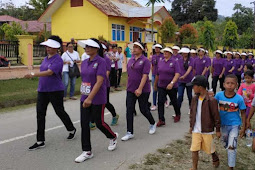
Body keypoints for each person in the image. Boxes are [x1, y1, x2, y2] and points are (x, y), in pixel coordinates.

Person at [24, 35, 76, 151]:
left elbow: (49, 72)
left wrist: (33, 74)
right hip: (42, 90)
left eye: (50, 47)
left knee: (59, 111)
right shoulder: (46, 58)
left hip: (55, 90)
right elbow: (44, 71)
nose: (48, 48)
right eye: (47, 46)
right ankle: (40, 140)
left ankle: (71, 129)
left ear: (56, 48)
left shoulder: (58, 59)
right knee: (40, 114)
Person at [75, 38, 118, 163]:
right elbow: (84, 79)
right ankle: (87, 151)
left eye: (89, 46)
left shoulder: (101, 61)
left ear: (96, 49)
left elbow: (100, 81)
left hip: (97, 98)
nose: (86, 48)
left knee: (99, 123)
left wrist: (90, 98)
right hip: (85, 96)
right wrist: (84, 96)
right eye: (85, 47)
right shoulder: (84, 62)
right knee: (84, 124)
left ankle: (113, 137)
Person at [121, 42, 156, 141]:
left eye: (137, 47)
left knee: (143, 109)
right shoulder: (131, 59)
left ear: (141, 49)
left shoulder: (145, 61)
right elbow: (129, 73)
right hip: (131, 89)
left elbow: (145, 75)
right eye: (134, 47)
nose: (134, 49)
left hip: (143, 90)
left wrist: (140, 88)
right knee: (129, 110)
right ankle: (129, 132)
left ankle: (152, 123)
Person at [214, 74, 246, 170]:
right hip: (223, 124)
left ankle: (230, 166)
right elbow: (214, 109)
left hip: (234, 125)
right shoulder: (218, 95)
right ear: (223, 84)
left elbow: (243, 113)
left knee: (232, 146)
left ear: (236, 85)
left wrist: (244, 127)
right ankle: (230, 151)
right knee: (225, 144)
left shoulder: (239, 98)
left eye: (232, 83)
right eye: (228, 83)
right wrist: (217, 127)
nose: (230, 85)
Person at [189, 75, 221, 170]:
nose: (193, 88)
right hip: (196, 129)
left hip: (207, 129)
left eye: (194, 86)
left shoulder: (211, 100)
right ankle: (194, 167)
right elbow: (192, 113)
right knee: (194, 149)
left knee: (210, 148)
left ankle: (214, 156)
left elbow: (216, 116)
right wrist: (191, 126)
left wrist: (218, 129)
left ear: (200, 87)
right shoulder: (194, 99)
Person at [154, 47, 181, 125]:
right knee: (160, 102)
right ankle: (161, 119)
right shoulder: (161, 61)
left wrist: (172, 83)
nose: (165, 53)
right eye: (164, 52)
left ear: (170, 53)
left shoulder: (174, 62)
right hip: (161, 85)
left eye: (167, 52)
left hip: (171, 86)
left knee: (174, 101)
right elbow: (158, 74)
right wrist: (155, 84)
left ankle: (177, 114)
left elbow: (177, 74)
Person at [177, 47, 194, 115]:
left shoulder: (191, 59)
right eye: (183, 52)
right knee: (180, 96)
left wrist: (184, 76)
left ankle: (191, 108)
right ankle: (177, 111)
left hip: (188, 80)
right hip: (180, 81)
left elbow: (189, 69)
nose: (184, 54)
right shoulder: (179, 59)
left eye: (186, 52)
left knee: (189, 95)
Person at [150, 44, 164, 111]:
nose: (156, 49)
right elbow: (152, 65)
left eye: (158, 48)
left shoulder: (162, 56)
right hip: (154, 74)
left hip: (160, 75)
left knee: (160, 89)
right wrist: (152, 73)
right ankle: (154, 104)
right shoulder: (153, 56)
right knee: (154, 89)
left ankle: (163, 100)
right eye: (155, 48)